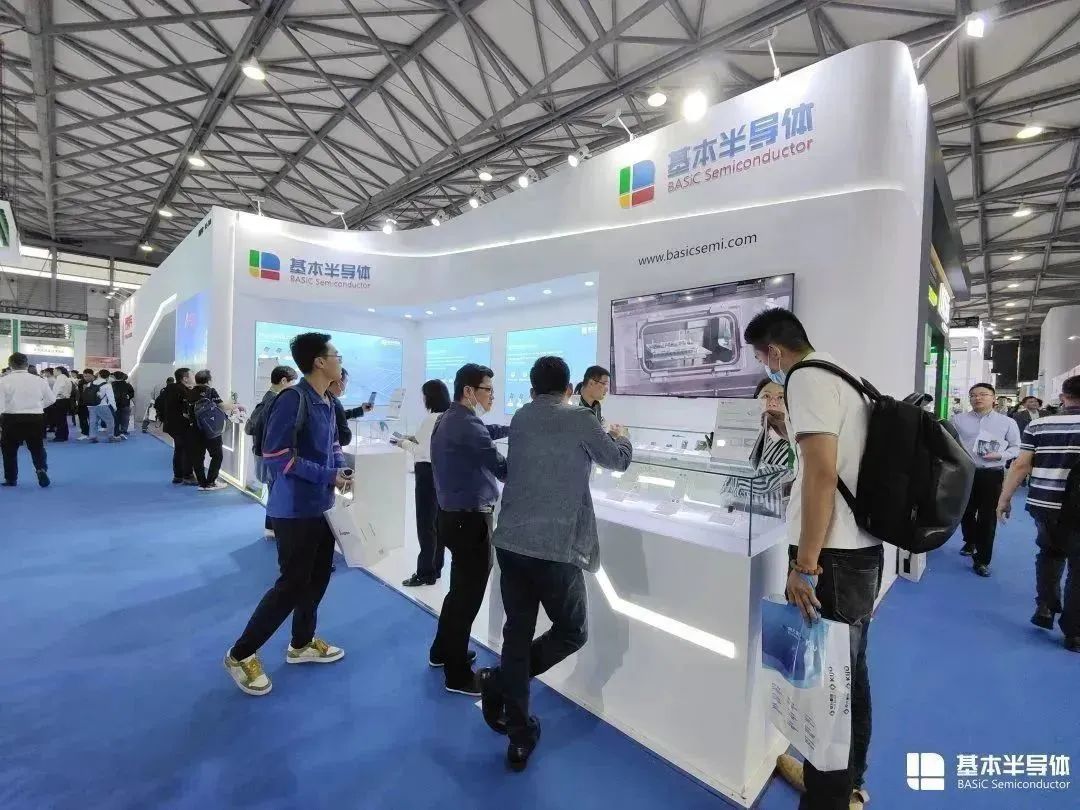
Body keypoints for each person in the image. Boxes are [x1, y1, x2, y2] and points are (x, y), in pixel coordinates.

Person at [744, 309, 881, 810]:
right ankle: (847, 784)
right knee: (849, 676)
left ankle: (828, 798)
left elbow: (821, 475)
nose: (766, 368)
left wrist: (804, 565)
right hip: (858, 550)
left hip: (832, 558)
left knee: (827, 687)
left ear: (774, 351)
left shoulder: (805, 378)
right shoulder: (841, 375)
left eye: (761, 357)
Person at [478, 356, 632, 771]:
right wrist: (623, 438)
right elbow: (617, 461)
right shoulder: (581, 419)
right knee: (572, 630)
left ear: (532, 389)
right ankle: (502, 684)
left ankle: (517, 729)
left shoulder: (522, 417)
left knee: (517, 634)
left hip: (511, 541)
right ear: (569, 389)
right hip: (554, 546)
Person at [224, 332, 351, 696]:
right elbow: (277, 456)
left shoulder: (327, 400)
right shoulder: (292, 399)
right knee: (292, 584)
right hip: (293, 510)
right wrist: (328, 475)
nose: (340, 361)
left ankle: (302, 643)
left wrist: (339, 468)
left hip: (322, 507)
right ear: (319, 362)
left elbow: (333, 444)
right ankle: (240, 655)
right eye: (336, 355)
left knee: (318, 578)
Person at [428, 362, 510, 695]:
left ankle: (442, 650)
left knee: (458, 592)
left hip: (451, 517)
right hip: (471, 521)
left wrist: (512, 429)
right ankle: (457, 674)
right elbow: (502, 468)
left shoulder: (450, 418)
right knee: (467, 598)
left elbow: (485, 433)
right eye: (488, 389)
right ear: (469, 391)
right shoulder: (466, 424)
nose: (492, 395)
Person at [997, 375, 1080, 654]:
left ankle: (1045, 606)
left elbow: (1021, 465)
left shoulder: (1039, 425)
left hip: (1044, 503)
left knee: (1049, 553)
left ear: (1063, 397)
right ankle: (1074, 633)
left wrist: (1005, 498)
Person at [950, 383, 1021, 576]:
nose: (977, 398)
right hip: (964, 472)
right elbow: (950, 442)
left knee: (988, 517)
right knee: (965, 511)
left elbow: (1016, 447)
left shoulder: (1007, 422)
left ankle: (982, 560)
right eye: (973, 395)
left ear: (993, 398)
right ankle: (970, 540)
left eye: (983, 394)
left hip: (991, 473)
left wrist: (1000, 455)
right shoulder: (958, 420)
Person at [399, 380, 452, 587]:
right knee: (437, 522)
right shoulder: (449, 417)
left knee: (425, 524)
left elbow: (422, 450)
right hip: (442, 473)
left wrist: (402, 442)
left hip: (426, 473)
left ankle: (425, 572)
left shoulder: (431, 418)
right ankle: (436, 568)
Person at [251, 366, 297, 538]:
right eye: (292, 382)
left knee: (274, 490)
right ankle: (273, 527)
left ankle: (271, 526)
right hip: (271, 454)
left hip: (265, 452)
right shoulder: (274, 401)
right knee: (276, 491)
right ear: (284, 381)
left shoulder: (268, 398)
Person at [0, 352, 56, 488]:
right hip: (35, 417)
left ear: (10, 365)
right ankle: (41, 469)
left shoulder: (3, 380)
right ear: (26, 364)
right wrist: (38, 406)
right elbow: (51, 399)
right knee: (37, 447)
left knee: (9, 450)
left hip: (11, 417)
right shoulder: (39, 380)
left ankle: (11, 478)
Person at [186, 370, 236, 491]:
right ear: (209, 380)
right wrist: (235, 405)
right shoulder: (210, 391)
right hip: (211, 429)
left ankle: (202, 484)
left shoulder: (189, 392)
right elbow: (222, 406)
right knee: (217, 455)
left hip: (194, 429)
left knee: (198, 457)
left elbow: (185, 413)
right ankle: (211, 482)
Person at [162, 368, 196, 484]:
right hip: (181, 425)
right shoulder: (183, 391)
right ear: (185, 379)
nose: (194, 377)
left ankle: (178, 476)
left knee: (179, 449)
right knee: (186, 449)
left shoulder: (170, 389)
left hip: (172, 425)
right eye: (192, 375)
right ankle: (187, 476)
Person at [89, 370, 120, 444]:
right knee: (110, 420)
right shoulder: (107, 385)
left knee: (93, 421)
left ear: (99, 374)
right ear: (108, 376)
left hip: (91, 405)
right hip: (102, 405)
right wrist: (114, 407)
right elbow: (111, 397)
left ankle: (93, 436)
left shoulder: (90, 383)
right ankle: (111, 436)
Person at [50, 367, 74, 442]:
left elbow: (59, 389)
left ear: (59, 371)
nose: (53, 372)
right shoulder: (66, 378)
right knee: (63, 419)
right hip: (65, 400)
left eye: (54, 371)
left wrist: (54, 396)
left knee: (59, 419)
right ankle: (64, 435)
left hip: (59, 400)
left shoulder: (60, 378)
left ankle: (60, 436)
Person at [111, 371, 135, 439]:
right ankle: (124, 430)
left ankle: (116, 431)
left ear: (114, 377)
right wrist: (128, 396)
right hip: (125, 403)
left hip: (115, 404)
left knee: (115, 418)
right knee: (125, 418)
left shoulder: (112, 384)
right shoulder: (127, 385)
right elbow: (132, 393)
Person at [76, 369, 95, 440]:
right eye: (85, 376)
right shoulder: (81, 382)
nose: (86, 378)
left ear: (92, 375)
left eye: (88, 376)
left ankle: (92, 433)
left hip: (93, 404)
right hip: (82, 403)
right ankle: (84, 433)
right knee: (82, 418)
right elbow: (80, 393)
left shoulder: (96, 382)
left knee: (93, 419)